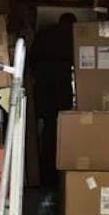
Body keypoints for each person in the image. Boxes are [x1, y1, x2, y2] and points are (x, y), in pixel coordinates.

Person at [29, 13, 76, 188]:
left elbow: (32, 60)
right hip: (60, 85)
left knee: (48, 127)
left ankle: (46, 171)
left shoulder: (45, 34)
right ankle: (56, 171)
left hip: (43, 84)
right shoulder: (69, 37)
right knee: (61, 127)